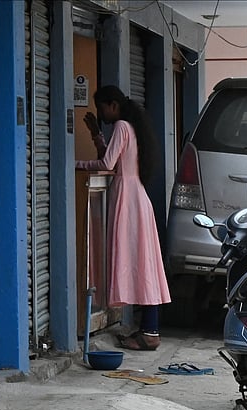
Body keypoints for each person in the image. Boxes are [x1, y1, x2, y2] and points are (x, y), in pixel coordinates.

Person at [76, 85, 171, 351]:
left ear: (113, 105)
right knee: (144, 261)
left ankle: (149, 332)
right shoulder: (132, 127)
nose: (102, 113)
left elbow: (107, 164)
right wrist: (96, 136)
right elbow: (116, 160)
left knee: (138, 260)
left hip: (126, 200)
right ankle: (149, 329)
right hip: (135, 197)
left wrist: (76, 165)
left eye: (102, 107)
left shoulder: (120, 126)